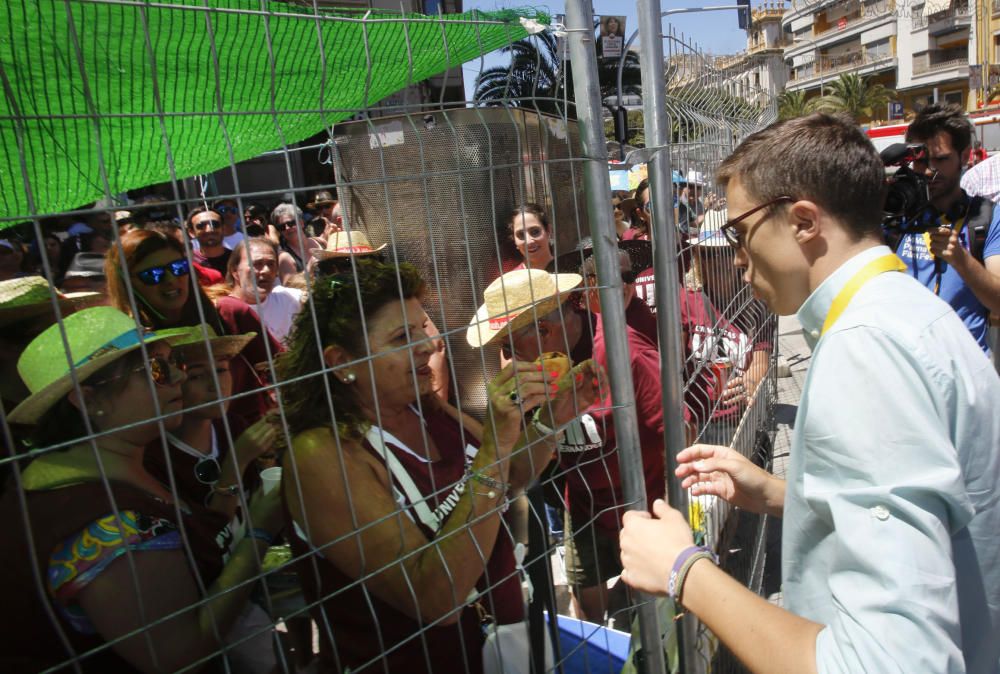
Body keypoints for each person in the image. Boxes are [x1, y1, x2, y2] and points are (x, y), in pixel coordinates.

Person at [619, 113, 1000, 673]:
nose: (737, 258)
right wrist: (782, 494)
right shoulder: (907, 315)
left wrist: (684, 571)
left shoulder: (865, 350)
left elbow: (888, 663)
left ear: (802, 221)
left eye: (739, 232)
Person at [277, 258, 602, 673]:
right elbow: (436, 598)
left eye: (422, 329)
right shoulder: (322, 456)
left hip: (501, 649)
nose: (428, 346)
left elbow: (514, 476)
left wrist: (553, 419)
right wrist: (494, 447)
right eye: (401, 337)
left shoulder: (426, 408)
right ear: (341, 362)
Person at [0, 307, 283, 672]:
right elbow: (180, 654)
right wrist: (259, 531)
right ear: (88, 399)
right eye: (155, 370)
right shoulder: (102, 523)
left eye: (173, 363)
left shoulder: (104, 468)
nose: (180, 377)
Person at [469, 268, 665, 624]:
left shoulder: (624, 353)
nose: (509, 357)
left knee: (648, 613)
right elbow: (519, 473)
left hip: (641, 506)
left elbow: (674, 429)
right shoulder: (536, 376)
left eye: (510, 346)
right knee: (587, 608)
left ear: (544, 331)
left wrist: (656, 515)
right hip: (584, 508)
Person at [105, 228, 282, 422]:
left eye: (179, 267)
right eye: (152, 274)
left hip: (259, 436)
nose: (171, 280)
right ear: (126, 283)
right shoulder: (124, 346)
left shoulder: (227, 313)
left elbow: (285, 367)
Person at [898, 103, 1000, 353]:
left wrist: (962, 260)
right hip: (908, 372)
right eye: (922, 161)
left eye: (941, 159)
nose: (930, 171)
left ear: (964, 156)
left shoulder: (986, 217)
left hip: (966, 377)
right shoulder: (897, 215)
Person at [228, 237, 304, 345]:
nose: (266, 270)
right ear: (234, 271)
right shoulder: (226, 312)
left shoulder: (291, 298)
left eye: (271, 264)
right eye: (257, 264)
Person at [272, 202, 321, 283]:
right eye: (282, 227)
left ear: (301, 223)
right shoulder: (285, 258)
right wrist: (309, 268)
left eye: (291, 223)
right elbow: (289, 289)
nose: (287, 228)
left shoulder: (320, 242)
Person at [506, 203, 555, 271]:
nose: (528, 241)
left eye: (535, 232)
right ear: (514, 240)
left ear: (548, 230)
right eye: (521, 235)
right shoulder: (511, 280)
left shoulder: (569, 270)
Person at [187, 205, 232, 275]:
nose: (209, 230)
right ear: (191, 232)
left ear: (223, 228)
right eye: (201, 226)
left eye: (215, 224)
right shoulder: (189, 264)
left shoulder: (238, 259)